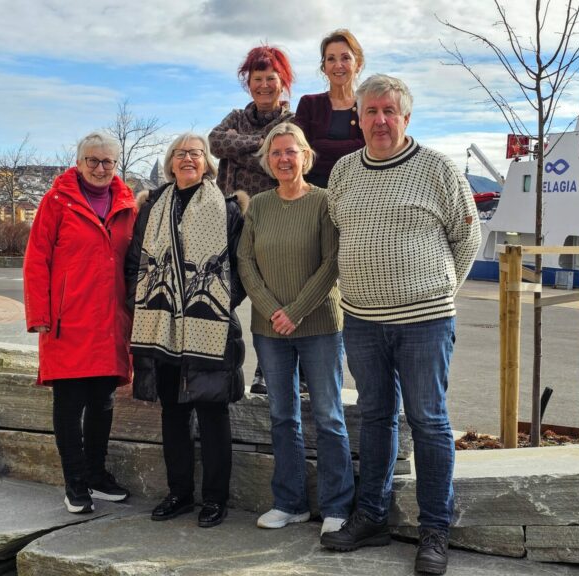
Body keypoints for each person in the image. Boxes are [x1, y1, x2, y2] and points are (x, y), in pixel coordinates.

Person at [320, 75, 481, 576]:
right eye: (371, 111)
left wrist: (437, 295)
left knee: (429, 422)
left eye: (390, 111)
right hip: (363, 321)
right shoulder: (345, 171)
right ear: (359, 118)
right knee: (375, 417)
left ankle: (435, 529)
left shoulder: (437, 168)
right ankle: (372, 516)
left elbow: (468, 238)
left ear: (406, 117)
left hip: (425, 322)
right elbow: (340, 235)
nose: (380, 120)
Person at [237, 122, 354, 538]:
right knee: (282, 415)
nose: (283, 159)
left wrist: (297, 311)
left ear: (306, 156)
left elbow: (332, 262)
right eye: (276, 153)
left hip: (320, 325)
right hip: (269, 330)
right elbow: (245, 263)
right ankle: (289, 503)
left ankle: (338, 506)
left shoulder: (325, 202)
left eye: (291, 151)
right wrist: (272, 311)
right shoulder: (261, 206)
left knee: (328, 416)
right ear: (267, 161)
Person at [125, 133, 246, 529]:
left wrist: (215, 304)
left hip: (207, 325)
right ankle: (179, 493)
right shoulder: (153, 207)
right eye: (180, 153)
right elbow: (135, 261)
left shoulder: (226, 208)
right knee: (173, 414)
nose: (188, 158)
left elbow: (238, 267)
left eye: (195, 153)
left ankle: (214, 499)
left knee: (212, 414)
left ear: (207, 162)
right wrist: (142, 301)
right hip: (161, 326)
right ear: (170, 162)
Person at [23, 131, 136, 514]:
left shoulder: (127, 204)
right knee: (69, 404)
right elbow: (36, 259)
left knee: (103, 402)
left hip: (110, 319)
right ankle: (75, 483)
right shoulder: (56, 202)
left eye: (108, 161)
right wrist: (39, 315)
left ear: (116, 164)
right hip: (66, 320)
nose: (101, 168)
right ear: (79, 162)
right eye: (93, 161)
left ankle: (96, 475)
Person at [210, 44, 295, 395]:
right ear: (249, 83)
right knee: (221, 294)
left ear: (282, 82)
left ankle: (267, 371)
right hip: (229, 219)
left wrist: (241, 148)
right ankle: (216, 361)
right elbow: (215, 142)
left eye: (270, 79)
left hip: (270, 220)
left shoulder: (291, 123)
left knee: (269, 296)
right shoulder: (234, 116)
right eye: (257, 79)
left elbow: (276, 161)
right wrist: (260, 143)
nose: (264, 86)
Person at [295, 29, 365, 189]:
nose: (338, 65)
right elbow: (301, 150)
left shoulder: (367, 106)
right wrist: (355, 145)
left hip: (358, 191)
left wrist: (318, 145)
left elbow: (371, 149)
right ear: (324, 67)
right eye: (331, 59)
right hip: (313, 194)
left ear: (358, 64)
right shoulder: (308, 104)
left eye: (346, 58)